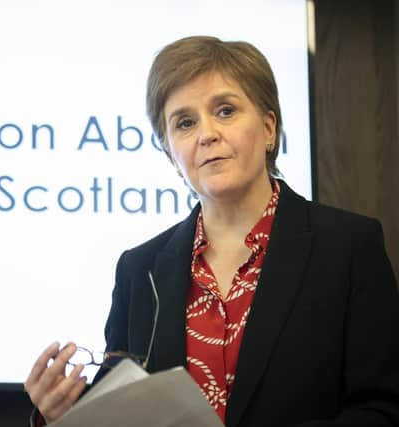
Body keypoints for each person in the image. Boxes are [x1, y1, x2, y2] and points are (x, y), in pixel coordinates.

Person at [24, 36, 399, 427]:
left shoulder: (349, 247)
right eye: (185, 123)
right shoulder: (140, 270)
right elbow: (118, 413)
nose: (206, 134)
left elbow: (383, 411)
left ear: (269, 128)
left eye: (225, 111)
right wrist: (62, 415)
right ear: (170, 153)